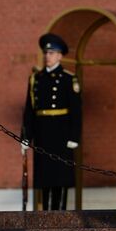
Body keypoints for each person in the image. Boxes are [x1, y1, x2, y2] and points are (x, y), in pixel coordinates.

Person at [21, 33, 82, 211]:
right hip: (42, 134)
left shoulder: (68, 79)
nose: (48, 56)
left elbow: (76, 112)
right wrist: (26, 136)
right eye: (46, 52)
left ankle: (59, 214)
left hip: (62, 135)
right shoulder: (36, 79)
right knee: (44, 178)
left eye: (52, 53)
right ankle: (44, 215)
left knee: (60, 179)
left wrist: (74, 136)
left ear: (60, 55)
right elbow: (29, 110)